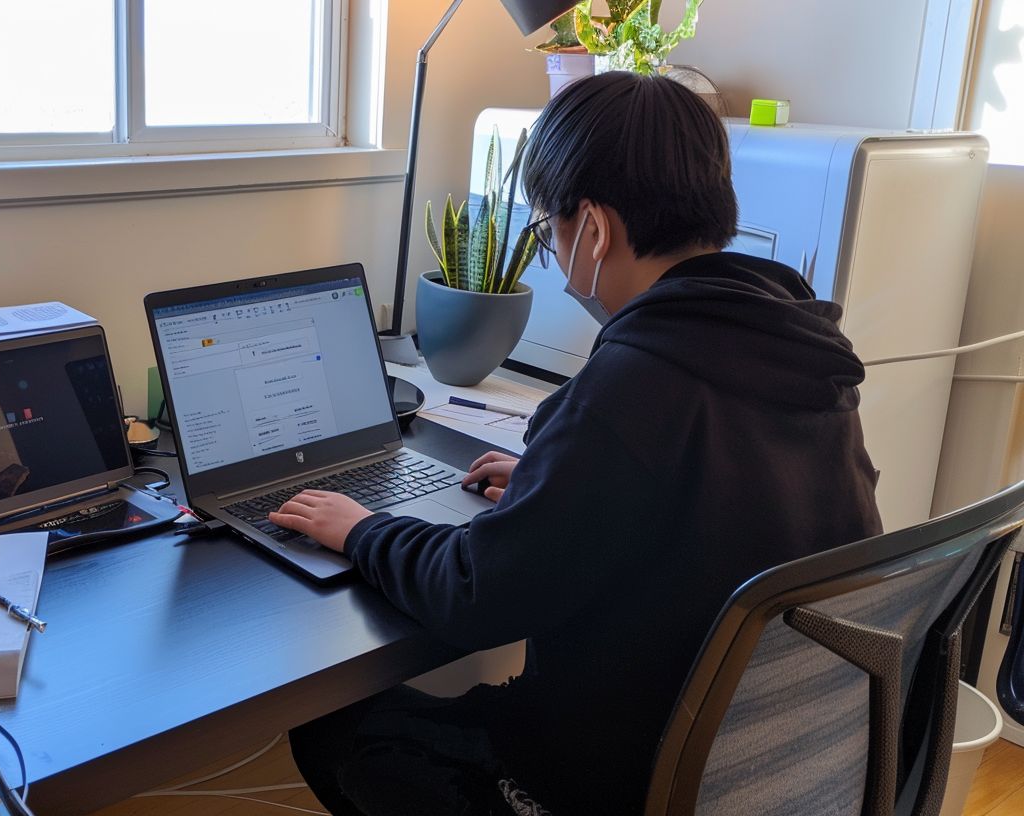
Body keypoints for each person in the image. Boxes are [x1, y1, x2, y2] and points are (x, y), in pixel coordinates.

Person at [268, 72, 883, 815]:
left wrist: (362, 529)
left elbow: (475, 595)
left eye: (548, 231)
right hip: (772, 766)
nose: (556, 261)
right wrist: (557, 479)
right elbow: (724, 496)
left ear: (592, 228)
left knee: (333, 726)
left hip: (612, 779)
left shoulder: (635, 383)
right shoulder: (798, 347)